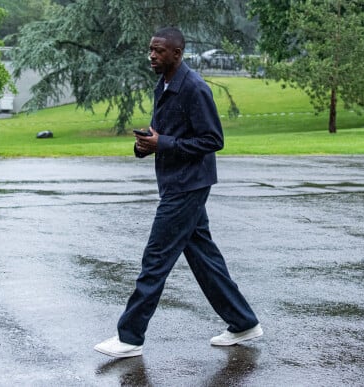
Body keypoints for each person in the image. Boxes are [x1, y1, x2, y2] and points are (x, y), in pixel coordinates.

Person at [94, 27, 262, 358]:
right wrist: (147, 146)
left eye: (158, 51)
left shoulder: (194, 88)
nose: (152, 55)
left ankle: (129, 337)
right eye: (150, 50)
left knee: (156, 259)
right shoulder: (166, 85)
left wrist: (163, 143)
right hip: (178, 181)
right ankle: (243, 323)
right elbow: (166, 134)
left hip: (188, 186)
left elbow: (214, 140)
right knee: (204, 258)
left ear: (177, 53)